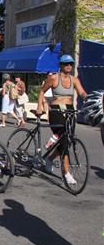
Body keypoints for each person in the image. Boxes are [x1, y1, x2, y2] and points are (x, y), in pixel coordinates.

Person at [36, 54, 87, 184]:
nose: (68, 66)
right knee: (63, 140)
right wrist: (39, 107)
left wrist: (87, 97)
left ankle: (49, 159)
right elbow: (42, 91)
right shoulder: (54, 78)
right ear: (61, 65)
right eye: (66, 64)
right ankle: (66, 173)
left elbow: (81, 92)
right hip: (56, 111)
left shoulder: (74, 80)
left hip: (70, 110)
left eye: (70, 63)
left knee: (67, 141)